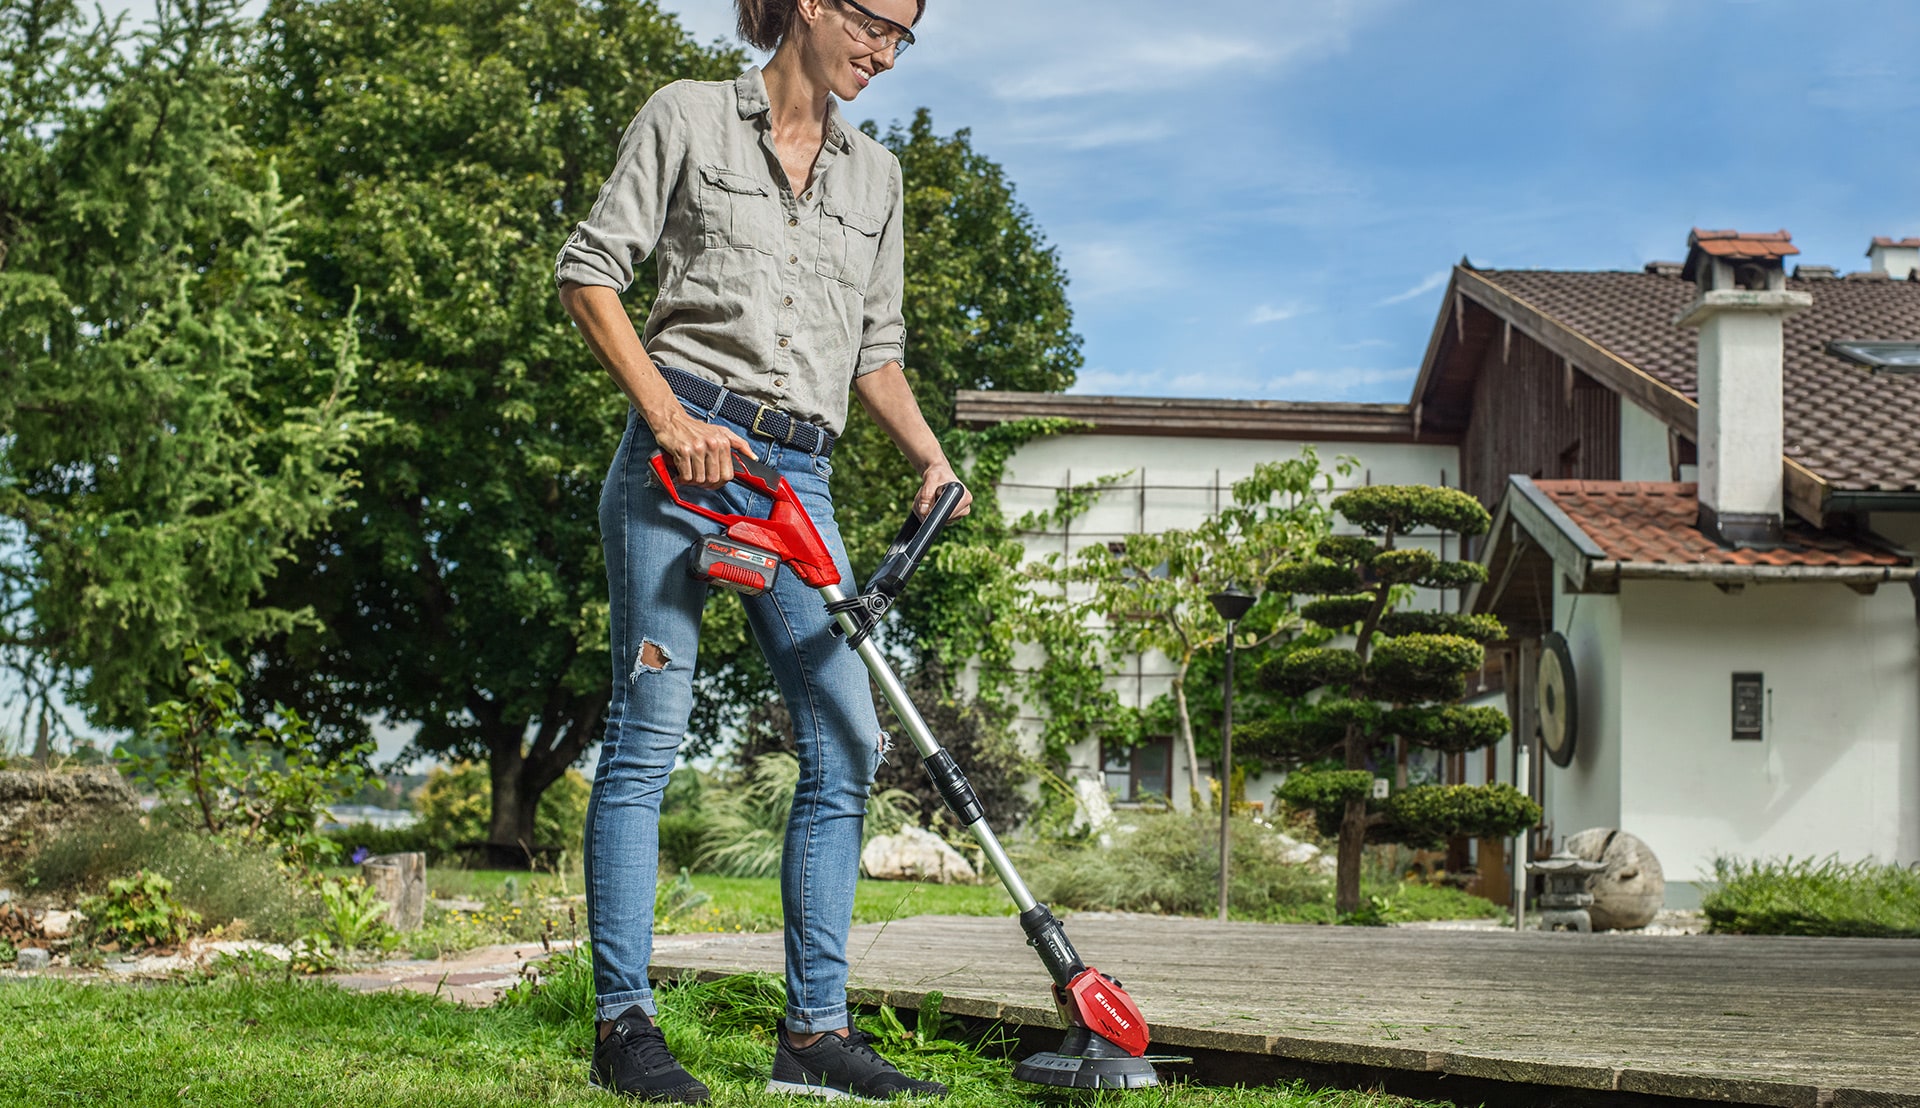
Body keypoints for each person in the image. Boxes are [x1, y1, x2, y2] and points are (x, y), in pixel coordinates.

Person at [555, 0, 969, 1100]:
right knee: (648, 733)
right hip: (678, 460)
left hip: (799, 479)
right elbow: (589, 272)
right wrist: (668, 419)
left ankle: (814, 1038)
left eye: (904, 39)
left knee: (849, 735)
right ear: (812, 4)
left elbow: (873, 348)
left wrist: (930, 456)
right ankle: (623, 1026)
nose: (884, 53)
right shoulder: (687, 116)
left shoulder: (876, 179)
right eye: (876, 24)